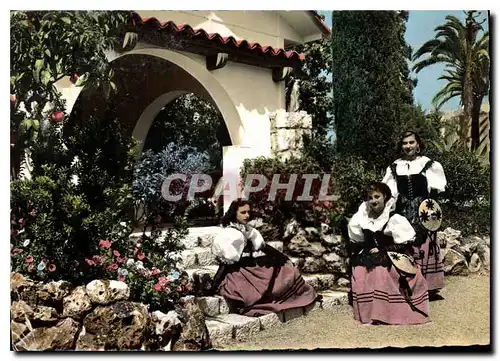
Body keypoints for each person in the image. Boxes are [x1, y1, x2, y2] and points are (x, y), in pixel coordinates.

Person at [210, 199, 318, 317]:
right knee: (263, 281)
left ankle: (292, 295)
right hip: (238, 269)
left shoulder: (247, 229)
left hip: (251, 263)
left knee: (284, 269)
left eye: (248, 212)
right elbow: (229, 258)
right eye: (243, 212)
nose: (247, 215)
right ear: (234, 213)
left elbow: (261, 246)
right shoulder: (230, 233)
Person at [348, 182, 430, 325]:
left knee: (380, 271)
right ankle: (369, 313)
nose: (373, 201)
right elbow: (358, 239)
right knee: (360, 270)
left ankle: (386, 312)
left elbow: (405, 243)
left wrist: (383, 250)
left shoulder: (394, 218)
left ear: (385, 196)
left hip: (392, 252)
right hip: (370, 254)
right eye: (370, 198)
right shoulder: (362, 218)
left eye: (377, 196)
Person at [382, 131, 447, 295]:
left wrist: (431, 211)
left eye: (411, 142)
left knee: (424, 244)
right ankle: (409, 283)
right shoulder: (394, 167)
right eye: (405, 143)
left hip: (423, 211)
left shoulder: (428, 164)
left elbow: (437, 191)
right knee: (404, 242)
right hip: (403, 211)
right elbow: (390, 193)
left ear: (418, 144)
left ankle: (428, 285)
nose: (408, 146)